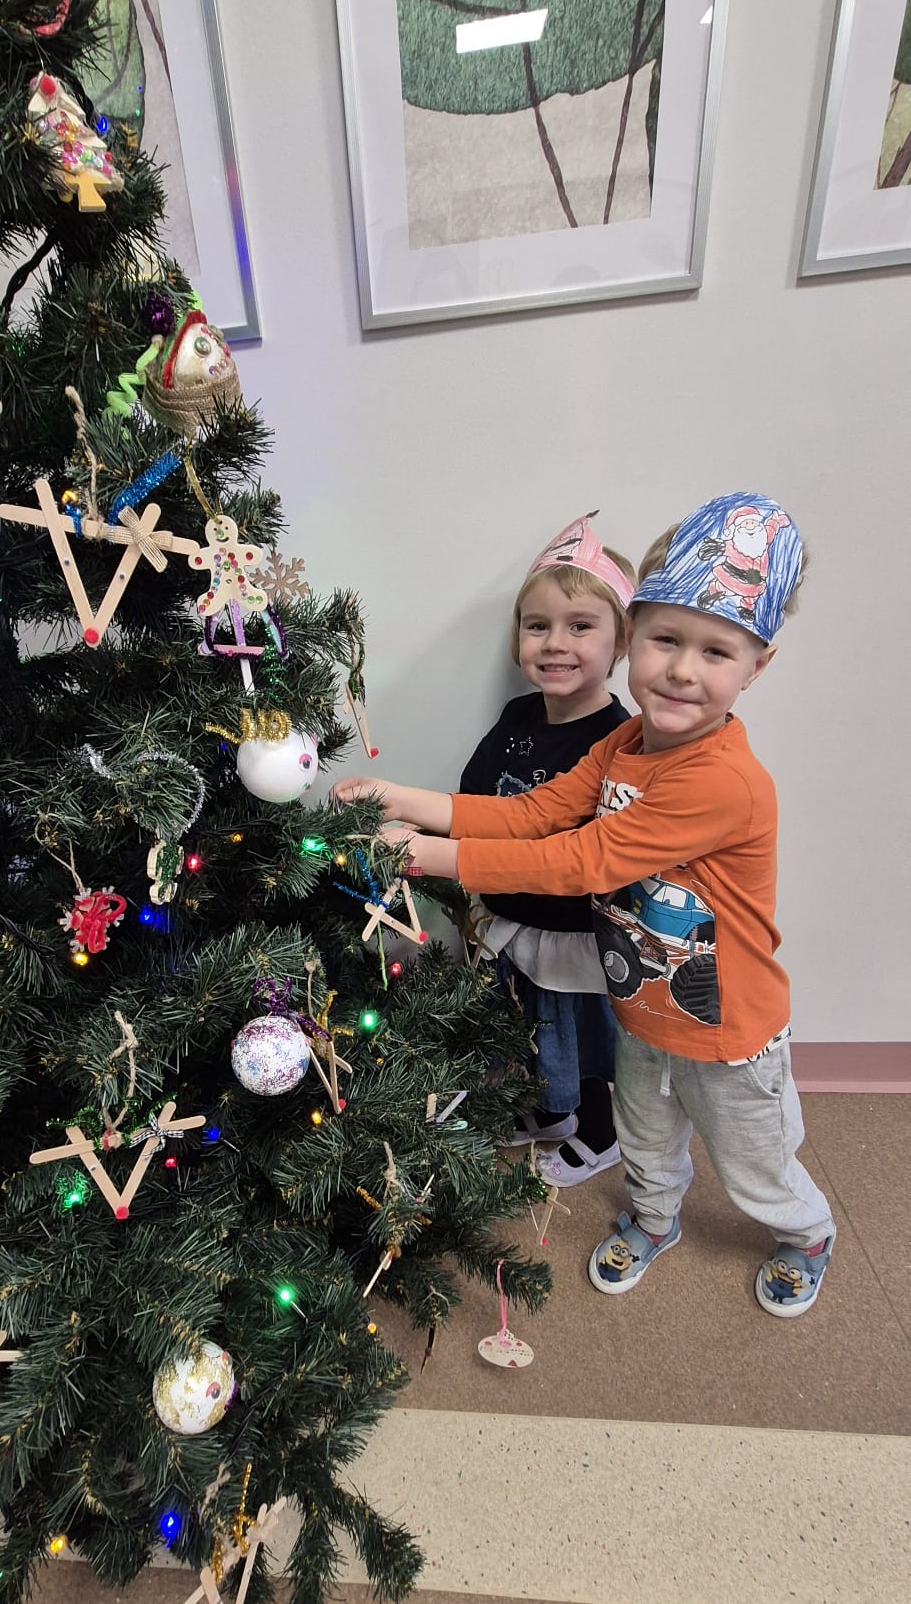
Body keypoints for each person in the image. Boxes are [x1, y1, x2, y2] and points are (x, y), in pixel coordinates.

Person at [334, 493, 835, 1319]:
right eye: (666, 640)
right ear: (635, 636)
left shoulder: (722, 780)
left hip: (730, 1032)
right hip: (642, 1007)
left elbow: (581, 859)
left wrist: (424, 855)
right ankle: (653, 1218)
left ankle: (808, 1234)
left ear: (756, 666)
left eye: (715, 651)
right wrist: (407, 799)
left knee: (753, 1162)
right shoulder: (625, 740)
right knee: (643, 1139)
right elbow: (538, 812)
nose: (682, 670)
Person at [457, 514, 636, 1184]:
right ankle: (551, 1112)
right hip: (511, 917)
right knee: (530, 1028)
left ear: (620, 642)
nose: (555, 643)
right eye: (538, 626)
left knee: (576, 1038)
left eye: (580, 626)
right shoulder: (519, 717)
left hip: (571, 934)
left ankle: (599, 1132)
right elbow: (475, 794)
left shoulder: (618, 740)